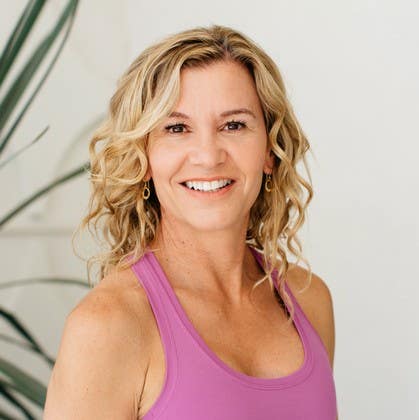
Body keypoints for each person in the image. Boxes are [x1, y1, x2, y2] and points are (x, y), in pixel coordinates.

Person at [44, 24, 338, 419]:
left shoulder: (309, 300)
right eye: (177, 128)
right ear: (144, 158)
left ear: (269, 150)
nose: (208, 156)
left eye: (234, 125)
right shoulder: (108, 326)